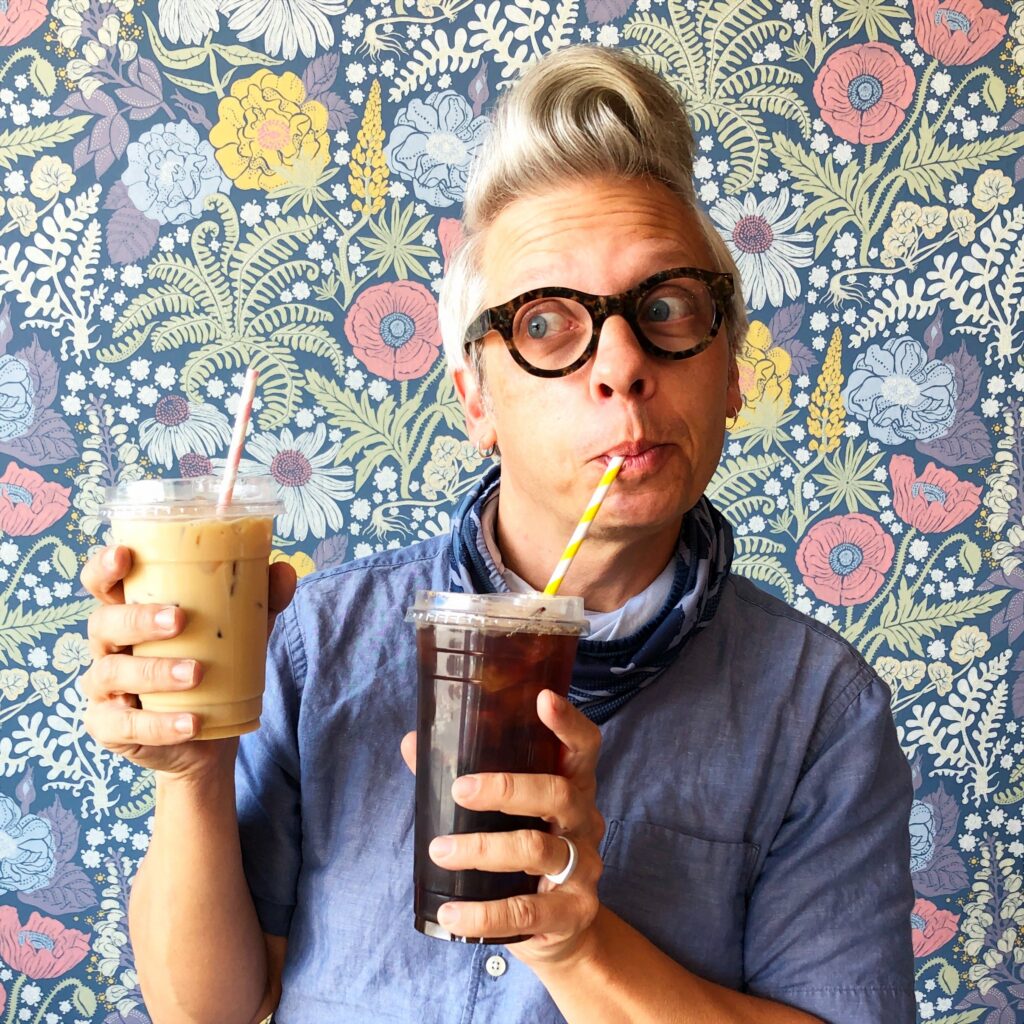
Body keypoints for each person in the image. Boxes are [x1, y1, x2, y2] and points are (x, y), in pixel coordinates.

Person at [79, 45, 916, 1024]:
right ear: (474, 395)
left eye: (666, 309)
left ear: (729, 369)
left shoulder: (819, 709)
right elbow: (209, 1010)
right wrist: (193, 774)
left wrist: (576, 943)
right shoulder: (319, 643)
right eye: (550, 326)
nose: (620, 365)